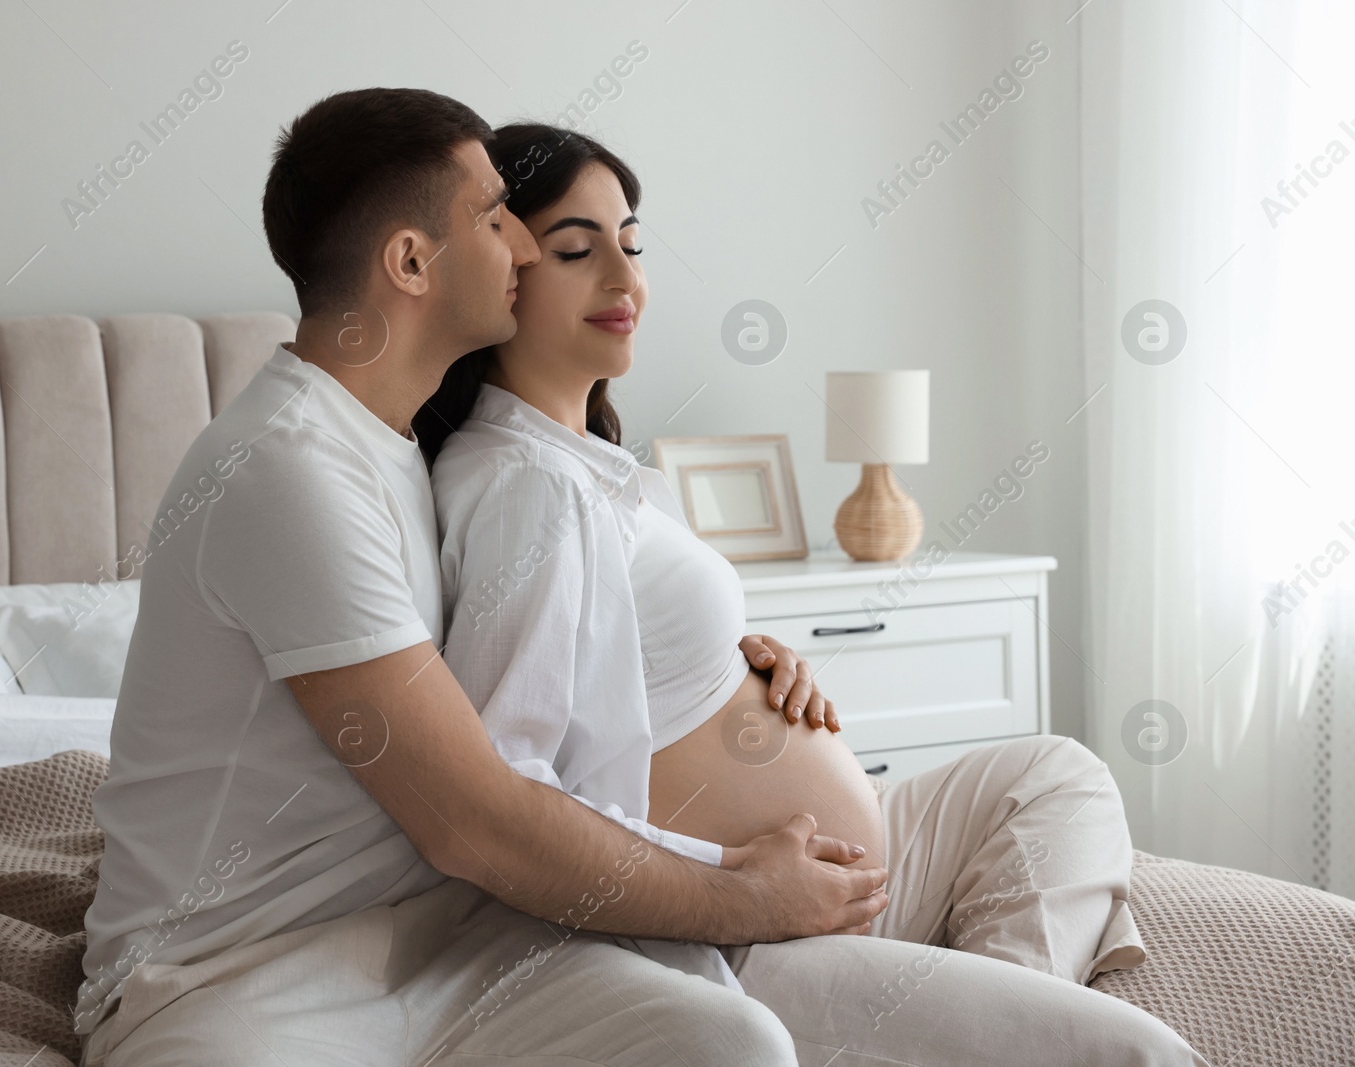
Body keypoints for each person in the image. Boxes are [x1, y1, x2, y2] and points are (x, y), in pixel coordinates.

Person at [74, 89, 893, 1067]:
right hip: (236, 973)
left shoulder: (405, 450)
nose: (520, 244)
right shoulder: (285, 469)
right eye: (493, 213)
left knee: (732, 1042)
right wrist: (747, 890)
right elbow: (478, 821)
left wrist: (734, 659)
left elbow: (551, 647)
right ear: (411, 262)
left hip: (437, 940)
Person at [420, 123, 1213, 1067]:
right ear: (502, 269)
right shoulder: (525, 487)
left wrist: (736, 658)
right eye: (577, 250)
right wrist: (743, 885)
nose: (626, 281)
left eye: (631, 244)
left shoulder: (592, 466)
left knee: (1058, 774)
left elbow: (617, 671)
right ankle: (996, 1018)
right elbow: (513, 795)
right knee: (1143, 1054)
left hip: (826, 889)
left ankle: (995, 1011)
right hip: (727, 935)